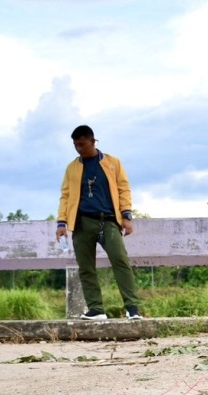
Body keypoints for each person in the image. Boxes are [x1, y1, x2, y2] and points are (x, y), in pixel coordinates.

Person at [56, 125, 142, 320]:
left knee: (121, 261)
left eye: (82, 144)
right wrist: (61, 223)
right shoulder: (72, 168)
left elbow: (123, 189)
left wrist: (127, 217)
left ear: (93, 141)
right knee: (86, 267)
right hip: (81, 222)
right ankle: (96, 309)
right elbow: (66, 196)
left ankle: (132, 308)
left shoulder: (112, 163)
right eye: (75, 145)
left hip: (108, 221)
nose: (79, 149)